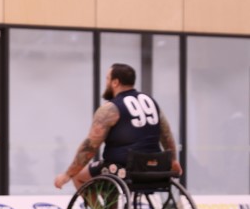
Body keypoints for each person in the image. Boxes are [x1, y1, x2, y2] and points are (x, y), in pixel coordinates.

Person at [54, 63, 182, 190]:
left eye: (107, 79)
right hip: (155, 166)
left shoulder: (110, 108)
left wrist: (67, 175)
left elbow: (90, 147)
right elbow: (166, 134)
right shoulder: (151, 102)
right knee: (109, 169)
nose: (106, 83)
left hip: (125, 168)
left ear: (115, 82)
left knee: (79, 177)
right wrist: (173, 161)